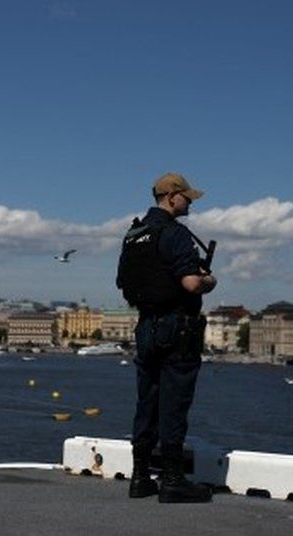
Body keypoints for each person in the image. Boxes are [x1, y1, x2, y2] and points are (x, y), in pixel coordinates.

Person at [116, 172, 217, 503]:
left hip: (145, 326)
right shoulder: (175, 234)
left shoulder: (134, 234)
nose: (190, 202)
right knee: (175, 401)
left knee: (147, 401)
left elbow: (125, 285)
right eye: (187, 197)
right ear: (172, 197)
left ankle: (140, 477)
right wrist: (208, 281)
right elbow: (189, 284)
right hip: (177, 327)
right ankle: (173, 480)